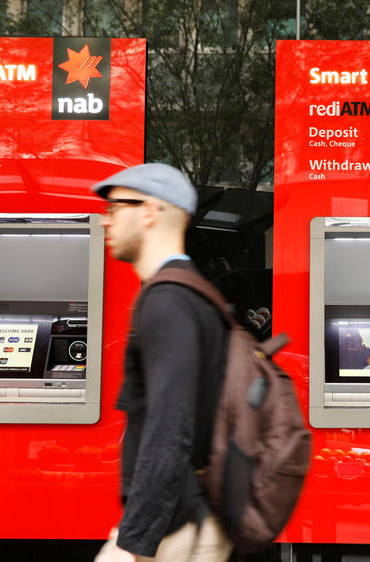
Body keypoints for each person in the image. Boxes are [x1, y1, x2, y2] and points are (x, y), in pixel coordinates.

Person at [91, 163, 233, 562]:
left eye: (115, 207)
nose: (105, 220)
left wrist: (135, 540)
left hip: (174, 527)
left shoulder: (167, 300)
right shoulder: (190, 292)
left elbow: (169, 428)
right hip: (181, 519)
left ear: (150, 211)